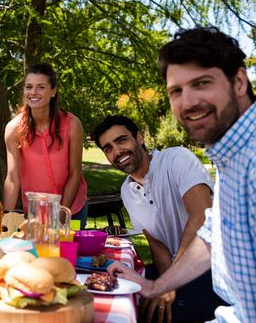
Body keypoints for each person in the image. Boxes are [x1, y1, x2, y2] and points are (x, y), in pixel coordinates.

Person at [108, 27, 256, 323]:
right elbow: (212, 236)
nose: (187, 103)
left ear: (239, 82)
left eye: (201, 83)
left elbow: (199, 219)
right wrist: (156, 285)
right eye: (176, 91)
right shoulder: (232, 158)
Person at [93, 114, 226, 322]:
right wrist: (166, 281)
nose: (117, 152)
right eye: (108, 148)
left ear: (140, 138)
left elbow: (201, 216)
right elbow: (156, 243)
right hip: (175, 266)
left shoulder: (176, 158)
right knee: (122, 291)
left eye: (121, 140)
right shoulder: (127, 191)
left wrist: (168, 283)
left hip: (214, 266)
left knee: (164, 316)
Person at [3, 63, 88, 227]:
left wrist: (62, 214)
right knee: (38, 252)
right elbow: (13, 178)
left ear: (53, 91)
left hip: (73, 208)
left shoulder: (72, 124)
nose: (33, 92)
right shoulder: (13, 129)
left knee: (69, 252)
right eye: (29, 87)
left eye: (41, 87)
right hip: (36, 213)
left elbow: (75, 172)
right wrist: (5, 221)